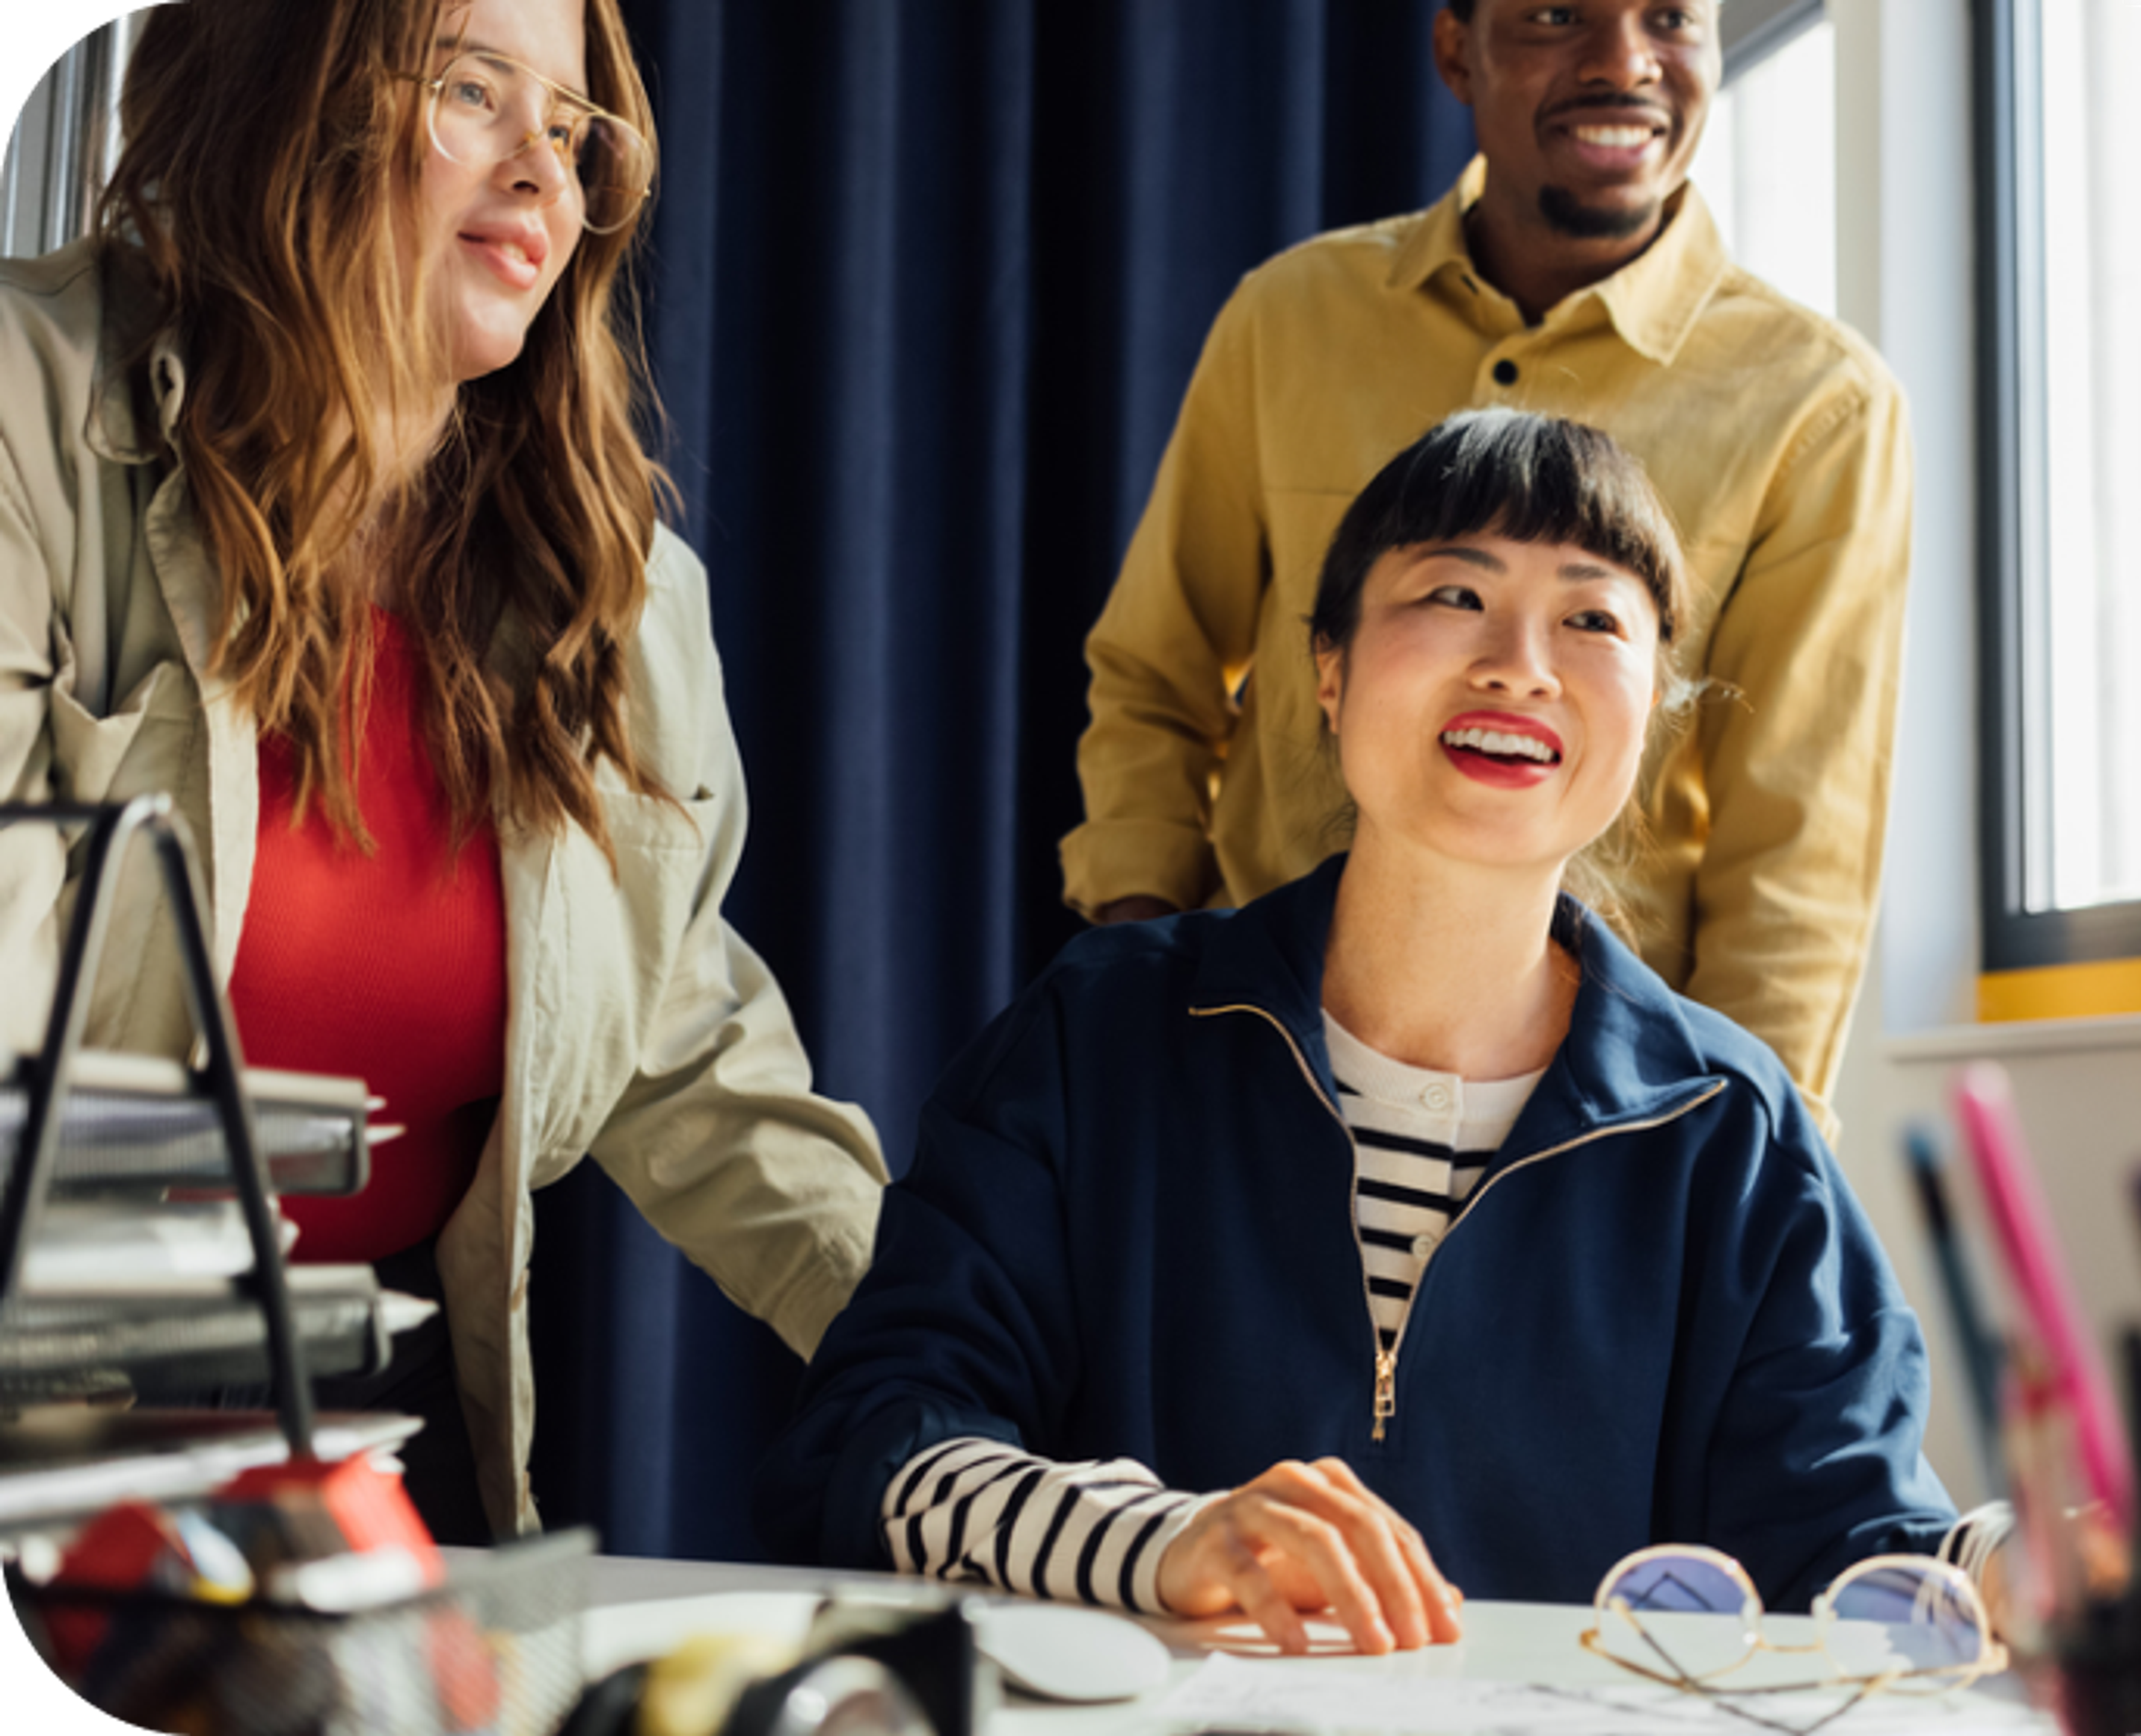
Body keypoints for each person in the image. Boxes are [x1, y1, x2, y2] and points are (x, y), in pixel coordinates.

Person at [755, 409, 1973, 1652]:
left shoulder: (1734, 1131)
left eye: (1593, 618)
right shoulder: (1097, 1037)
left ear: (1655, 708)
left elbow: (1861, 1550)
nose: (1522, 664)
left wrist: (2015, 1562)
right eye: (1454, 593)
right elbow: (868, 1447)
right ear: (1326, 669)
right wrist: (1158, 1542)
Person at [0, 0, 886, 1542]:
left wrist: (974, 1389)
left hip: (365, 1427)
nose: (545, 172)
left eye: (575, 125)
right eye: (475, 90)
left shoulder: (625, 595)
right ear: (289, 85)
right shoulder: (25, 404)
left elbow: (684, 1051)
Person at [1063, 0, 1911, 1134]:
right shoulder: (1290, 320)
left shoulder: (1821, 407)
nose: (1624, 64)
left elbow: (1797, 852)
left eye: (1670, 17)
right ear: (1456, 48)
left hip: (1586, 1112)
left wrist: (1729, 1171)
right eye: (1560, 14)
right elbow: (1156, 678)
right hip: (1242, 1057)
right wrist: (1141, 985)